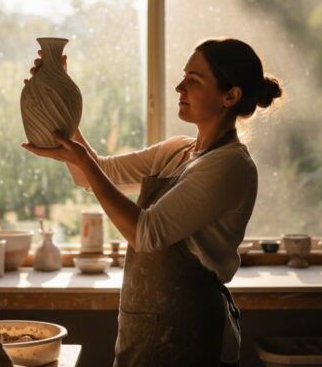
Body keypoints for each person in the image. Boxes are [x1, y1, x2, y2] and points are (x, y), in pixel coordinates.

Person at [22, 38, 282, 366]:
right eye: (184, 76)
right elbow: (96, 175)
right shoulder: (176, 150)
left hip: (191, 334)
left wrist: (84, 160)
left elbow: (145, 232)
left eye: (193, 81)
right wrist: (60, 107)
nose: (178, 87)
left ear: (230, 96)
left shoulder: (230, 165)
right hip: (143, 328)